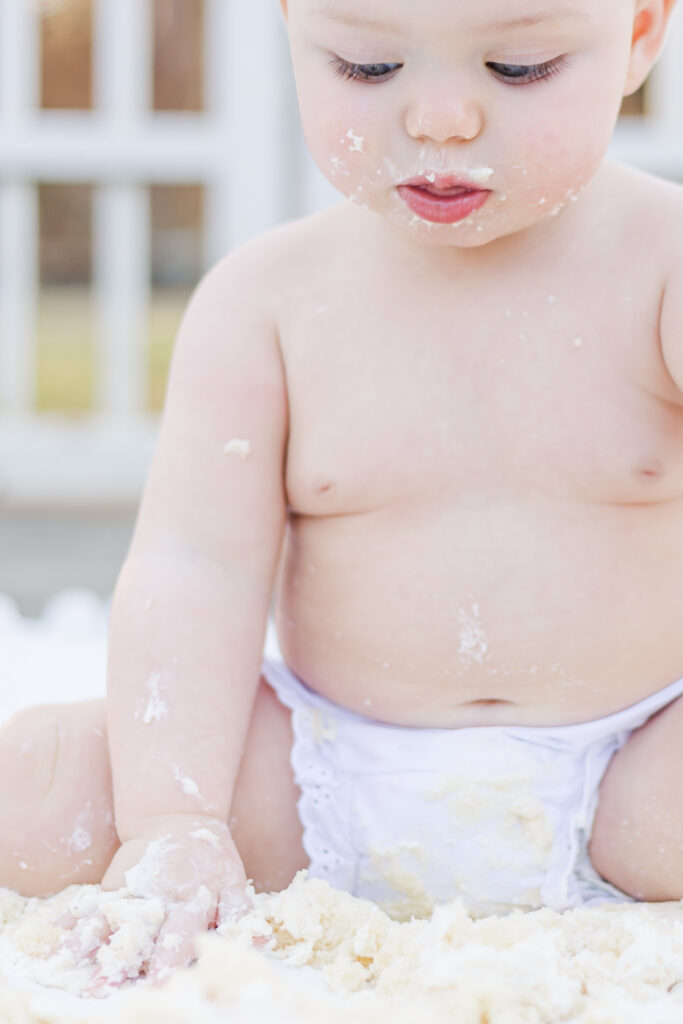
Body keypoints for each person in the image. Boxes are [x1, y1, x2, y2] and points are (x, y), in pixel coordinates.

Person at [2, 0, 683, 986]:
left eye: (518, 66)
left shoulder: (661, 264)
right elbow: (196, 567)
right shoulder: (265, 302)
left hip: (635, 767)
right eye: (366, 67)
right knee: (41, 778)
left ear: (637, 37)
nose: (440, 117)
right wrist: (174, 819)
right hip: (325, 779)